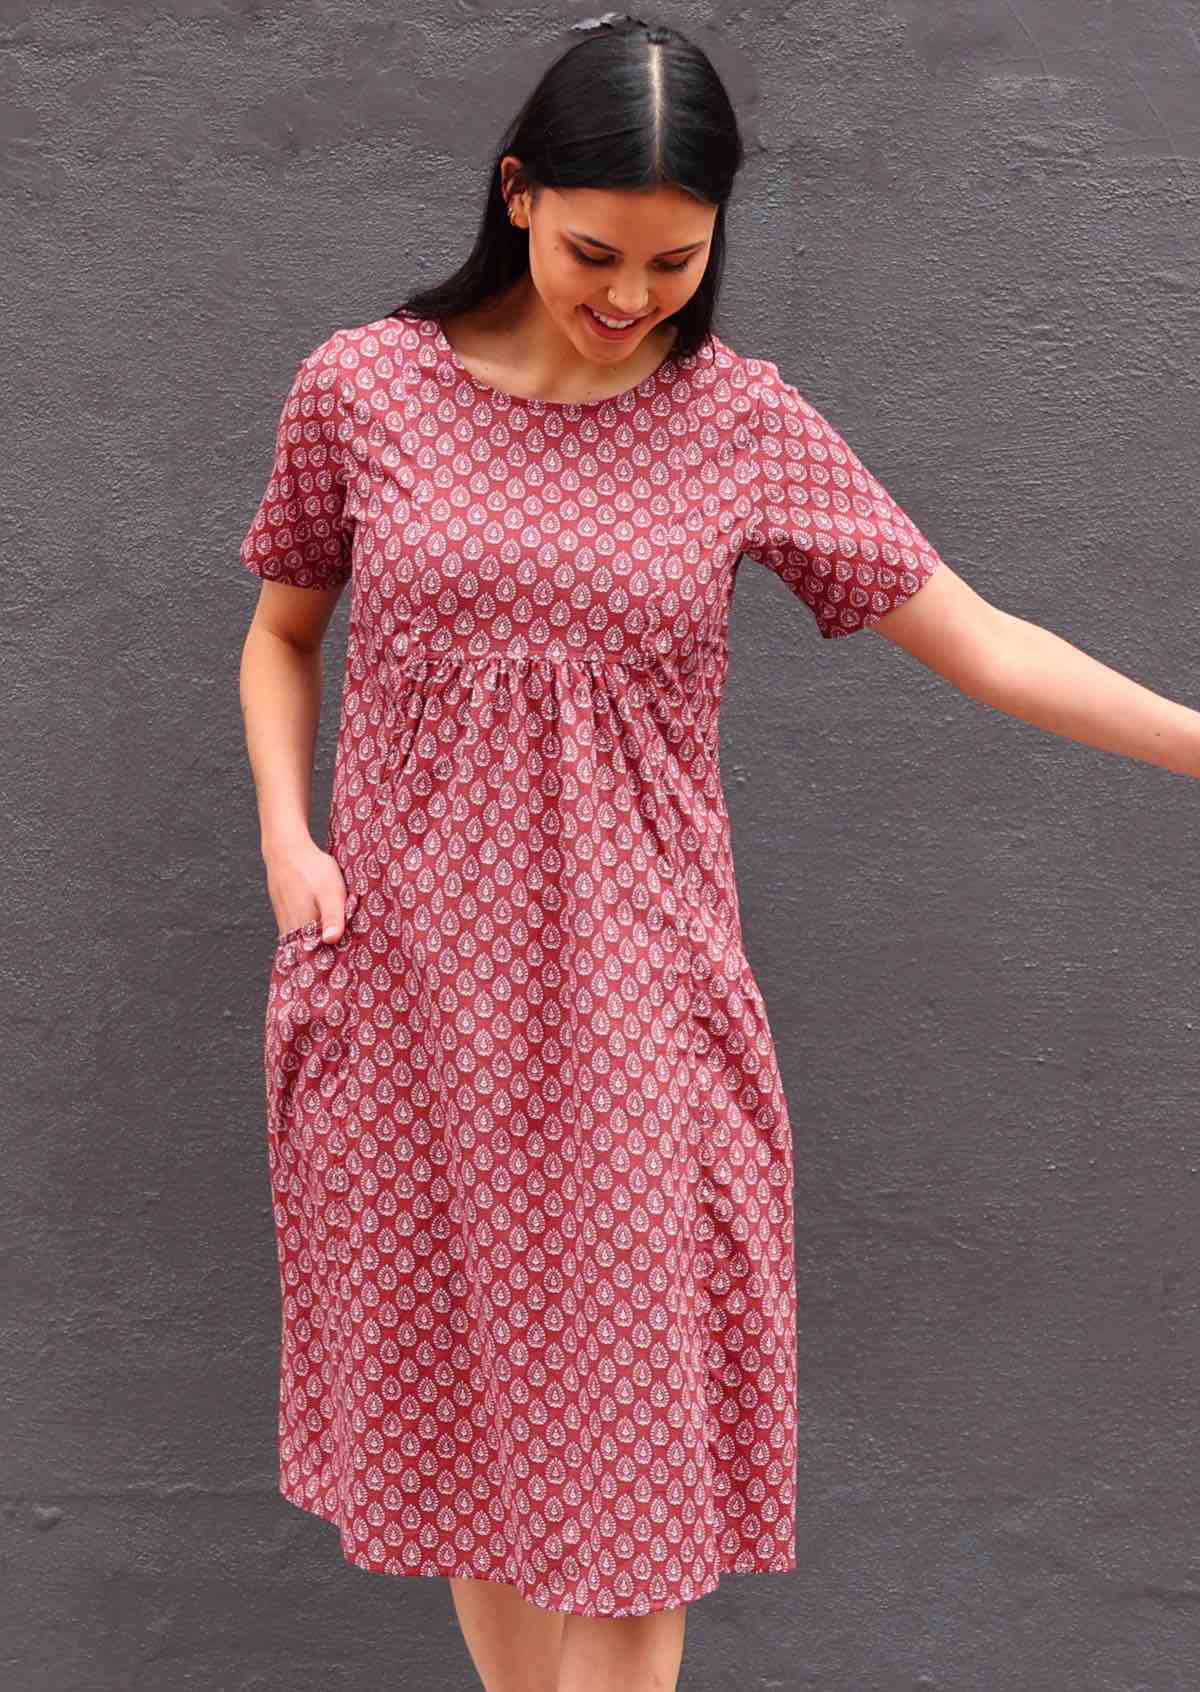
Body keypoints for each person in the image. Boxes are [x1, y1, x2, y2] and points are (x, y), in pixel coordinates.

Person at [236, 15, 1200, 1692]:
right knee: (479, 1450)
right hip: (410, 1007)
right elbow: (279, 634)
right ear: (518, 195)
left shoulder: (740, 424)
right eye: (596, 251)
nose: (629, 296)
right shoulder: (362, 386)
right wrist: (284, 838)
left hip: (633, 1016)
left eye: (676, 262)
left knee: (629, 1466)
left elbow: (984, 642)